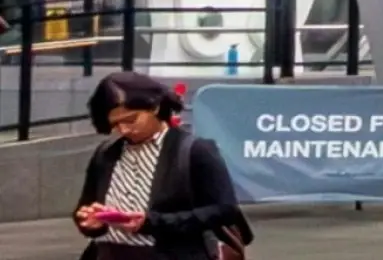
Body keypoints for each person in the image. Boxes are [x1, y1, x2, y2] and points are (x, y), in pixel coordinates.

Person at [73, 71, 252, 260]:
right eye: (116, 124)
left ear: (155, 107)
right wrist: (91, 222)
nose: (124, 129)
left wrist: (152, 223)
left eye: (131, 119)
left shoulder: (195, 150)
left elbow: (224, 210)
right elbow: (86, 205)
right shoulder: (106, 153)